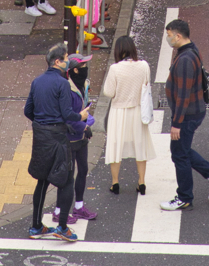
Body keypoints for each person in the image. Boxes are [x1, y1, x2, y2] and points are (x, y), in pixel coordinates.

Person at [24, 42, 89, 241]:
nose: (68, 60)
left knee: (42, 180)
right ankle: (62, 227)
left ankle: (36, 226)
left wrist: (42, 119)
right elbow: (67, 114)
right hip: (58, 137)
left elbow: (28, 110)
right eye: (66, 57)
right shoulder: (62, 83)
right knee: (66, 180)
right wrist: (82, 116)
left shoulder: (37, 81)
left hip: (40, 136)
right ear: (58, 61)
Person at [160, 18, 209, 212]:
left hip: (187, 115)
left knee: (179, 154)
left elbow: (183, 94)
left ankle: (185, 197)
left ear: (178, 36)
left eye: (169, 35)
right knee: (183, 150)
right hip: (192, 112)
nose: (168, 38)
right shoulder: (189, 50)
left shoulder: (186, 59)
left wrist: (176, 123)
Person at [103, 35, 156, 194]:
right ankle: (141, 182)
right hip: (138, 110)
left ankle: (115, 182)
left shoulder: (115, 69)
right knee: (140, 145)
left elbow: (108, 92)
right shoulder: (144, 66)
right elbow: (146, 84)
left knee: (115, 145)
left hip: (119, 112)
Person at [52, 53, 98, 224]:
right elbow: (67, 116)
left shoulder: (84, 84)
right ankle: (58, 210)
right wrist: (84, 125)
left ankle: (78, 207)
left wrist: (88, 120)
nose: (87, 69)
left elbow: (85, 107)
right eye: (84, 66)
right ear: (76, 70)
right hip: (69, 138)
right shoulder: (66, 88)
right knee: (67, 176)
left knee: (83, 170)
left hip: (81, 136)